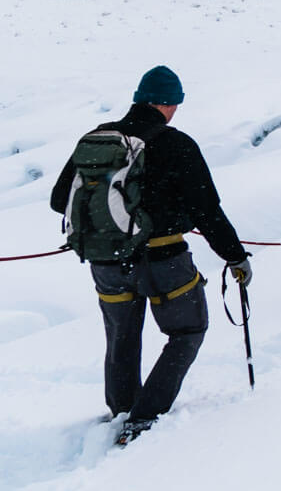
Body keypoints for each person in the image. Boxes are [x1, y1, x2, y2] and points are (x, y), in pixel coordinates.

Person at [48, 66, 251, 446]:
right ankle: (145, 417)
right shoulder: (177, 145)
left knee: (122, 337)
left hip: (106, 262)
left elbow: (60, 199)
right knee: (187, 330)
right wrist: (235, 256)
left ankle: (122, 411)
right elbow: (208, 210)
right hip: (164, 260)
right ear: (169, 103)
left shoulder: (98, 138)